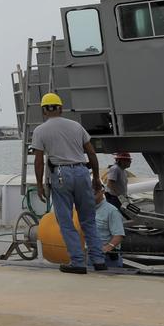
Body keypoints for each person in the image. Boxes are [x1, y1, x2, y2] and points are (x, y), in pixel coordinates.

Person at [32, 92, 106, 273]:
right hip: (82, 171)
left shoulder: (40, 131)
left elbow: (39, 161)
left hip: (60, 175)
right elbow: (91, 154)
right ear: (61, 108)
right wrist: (96, 178)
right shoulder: (76, 126)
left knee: (65, 221)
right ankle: (99, 261)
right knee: (88, 220)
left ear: (43, 110)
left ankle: (78, 262)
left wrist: (40, 185)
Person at [94, 186, 126, 267]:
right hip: (90, 256)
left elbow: (119, 235)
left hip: (107, 259)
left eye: (95, 191)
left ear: (102, 191)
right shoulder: (86, 209)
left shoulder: (112, 211)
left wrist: (108, 247)